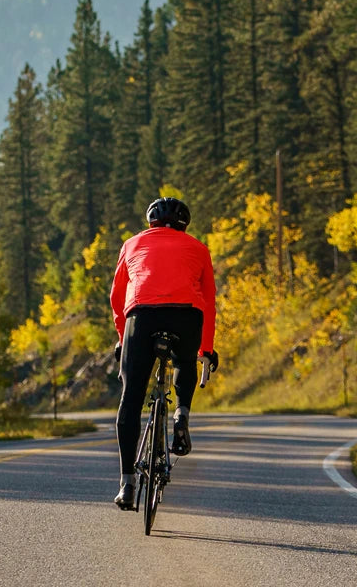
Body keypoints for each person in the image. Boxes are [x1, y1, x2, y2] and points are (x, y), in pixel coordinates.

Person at [109, 197, 220, 510]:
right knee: (185, 361)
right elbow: (209, 301)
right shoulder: (198, 248)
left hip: (141, 316)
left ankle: (127, 484)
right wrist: (206, 350)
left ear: (150, 222)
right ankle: (181, 413)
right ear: (185, 224)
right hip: (186, 316)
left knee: (130, 399)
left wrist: (122, 338)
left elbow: (117, 298)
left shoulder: (131, 245)